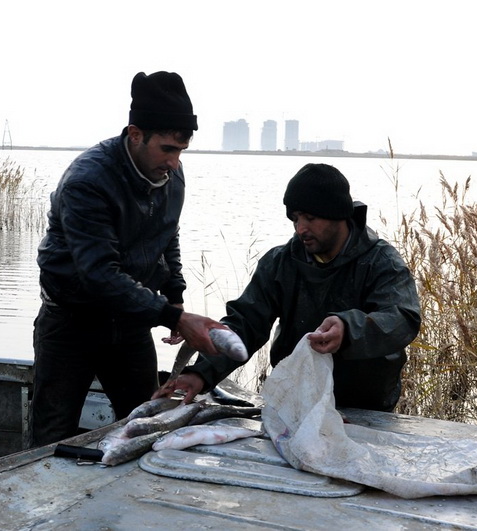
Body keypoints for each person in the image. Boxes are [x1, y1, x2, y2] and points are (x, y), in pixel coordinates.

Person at [31, 71, 224, 447]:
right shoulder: (88, 181)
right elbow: (99, 274)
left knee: (145, 425)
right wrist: (175, 318)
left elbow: (167, 233)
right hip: (72, 321)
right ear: (135, 134)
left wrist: (174, 292)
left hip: (131, 323)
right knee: (51, 437)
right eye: (167, 148)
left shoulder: (171, 175)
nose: (174, 161)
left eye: (181, 150)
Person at [155, 163, 422, 411]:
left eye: (310, 217)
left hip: (365, 405)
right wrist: (200, 374)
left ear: (338, 214)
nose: (300, 228)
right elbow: (245, 324)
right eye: (295, 218)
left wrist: (348, 330)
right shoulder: (280, 262)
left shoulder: (380, 260)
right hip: (295, 401)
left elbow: (402, 319)